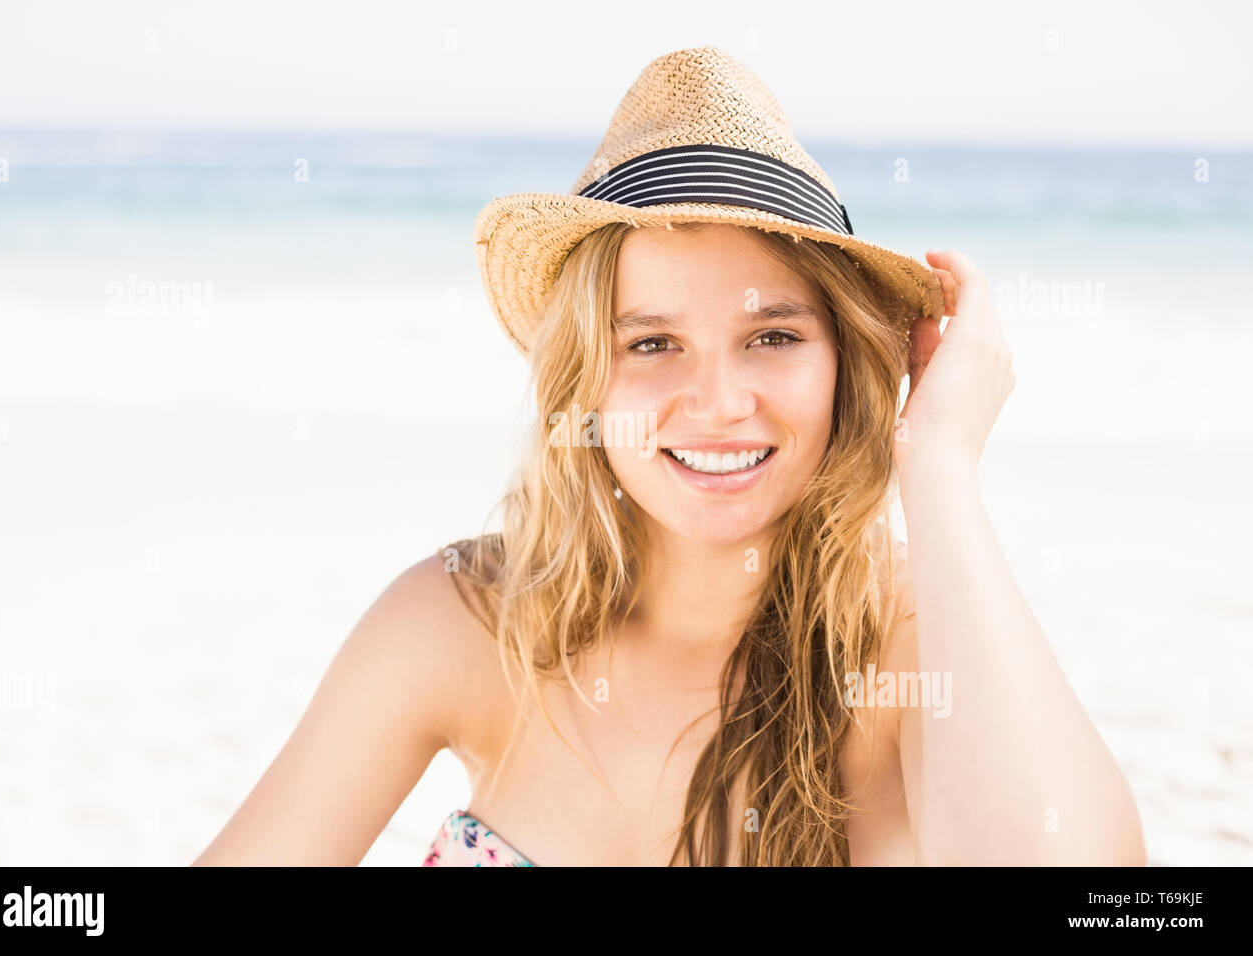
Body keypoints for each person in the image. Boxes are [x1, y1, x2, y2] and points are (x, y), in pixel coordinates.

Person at [193, 46, 1147, 867]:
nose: (720, 403)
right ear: (585, 386)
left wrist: (937, 463)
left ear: (847, 366)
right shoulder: (470, 621)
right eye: (651, 343)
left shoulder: (913, 644)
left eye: (773, 336)